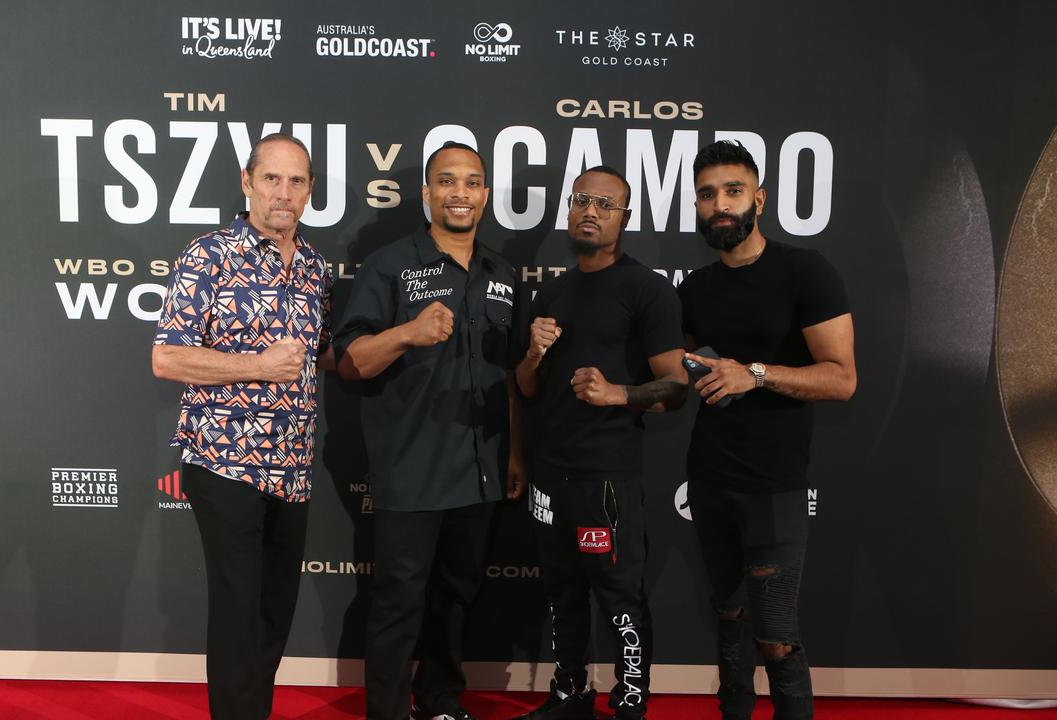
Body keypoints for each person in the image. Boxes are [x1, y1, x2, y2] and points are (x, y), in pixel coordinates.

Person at [333, 141, 526, 720]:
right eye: (447, 181)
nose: (459, 193)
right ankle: (388, 711)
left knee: (456, 598)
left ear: (485, 194)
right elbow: (350, 362)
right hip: (412, 468)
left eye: (471, 182)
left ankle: (441, 700)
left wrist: (516, 454)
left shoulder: (504, 273)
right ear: (426, 192)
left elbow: (514, 376)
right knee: (398, 603)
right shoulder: (389, 266)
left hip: (483, 466)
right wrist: (407, 334)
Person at [151, 132, 333, 720]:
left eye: (297, 181)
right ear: (247, 182)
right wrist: (257, 365)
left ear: (309, 190)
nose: (284, 192)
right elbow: (167, 358)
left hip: (293, 467)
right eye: (272, 178)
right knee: (237, 610)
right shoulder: (208, 256)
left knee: (274, 612)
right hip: (224, 462)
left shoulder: (313, 265)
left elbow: (322, 353)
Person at [678, 140, 857, 720]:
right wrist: (614, 392)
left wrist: (753, 374)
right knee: (727, 621)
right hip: (709, 480)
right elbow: (671, 374)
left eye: (732, 191)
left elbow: (841, 379)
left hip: (774, 486)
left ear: (759, 198)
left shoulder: (806, 271)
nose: (720, 204)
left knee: (775, 636)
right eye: (707, 194)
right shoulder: (694, 289)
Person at [513, 166, 688, 720]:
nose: (591, 211)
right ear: (569, 208)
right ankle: (570, 694)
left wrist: (618, 394)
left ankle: (631, 699)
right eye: (582, 200)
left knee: (618, 597)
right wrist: (535, 354)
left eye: (605, 204)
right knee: (562, 594)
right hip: (551, 474)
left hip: (608, 476)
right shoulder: (551, 291)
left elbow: (678, 389)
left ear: (624, 218)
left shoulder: (646, 289)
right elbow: (526, 388)